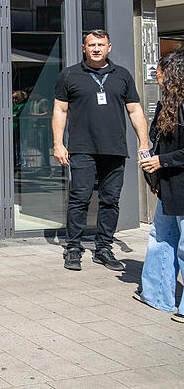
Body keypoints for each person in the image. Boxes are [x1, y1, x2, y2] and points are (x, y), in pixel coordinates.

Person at [52, 29, 149, 271]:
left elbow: (135, 111)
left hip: (115, 148)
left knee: (110, 201)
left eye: (101, 44)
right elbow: (60, 111)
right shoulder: (69, 75)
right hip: (82, 148)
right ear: (84, 48)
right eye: (92, 44)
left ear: (109, 47)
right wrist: (58, 143)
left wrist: (144, 143)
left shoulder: (122, 76)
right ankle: (73, 247)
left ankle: (103, 248)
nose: (96, 48)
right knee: (80, 198)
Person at [136, 51, 184, 322]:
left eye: (160, 70)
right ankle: (157, 295)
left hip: (178, 183)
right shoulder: (168, 104)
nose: (156, 74)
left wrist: (161, 162)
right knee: (160, 240)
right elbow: (159, 143)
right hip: (168, 185)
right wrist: (154, 176)